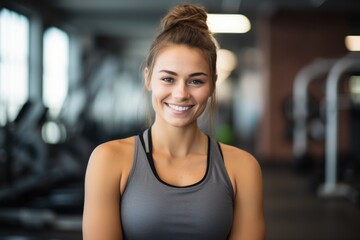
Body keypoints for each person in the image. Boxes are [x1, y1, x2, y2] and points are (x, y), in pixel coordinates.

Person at [82, 3, 264, 240]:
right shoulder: (108, 160)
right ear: (148, 79)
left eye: (196, 81)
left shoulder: (243, 168)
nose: (181, 94)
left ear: (212, 83)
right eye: (168, 78)